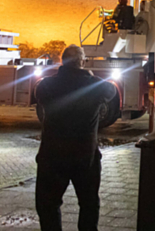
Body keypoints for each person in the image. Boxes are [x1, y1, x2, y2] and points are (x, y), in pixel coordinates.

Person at [35, 45, 117, 231]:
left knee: (48, 204)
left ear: (62, 62)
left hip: (53, 155)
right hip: (84, 156)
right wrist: (87, 74)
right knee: (88, 204)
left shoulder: (46, 85)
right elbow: (111, 91)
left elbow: (38, 94)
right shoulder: (96, 85)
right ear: (82, 61)